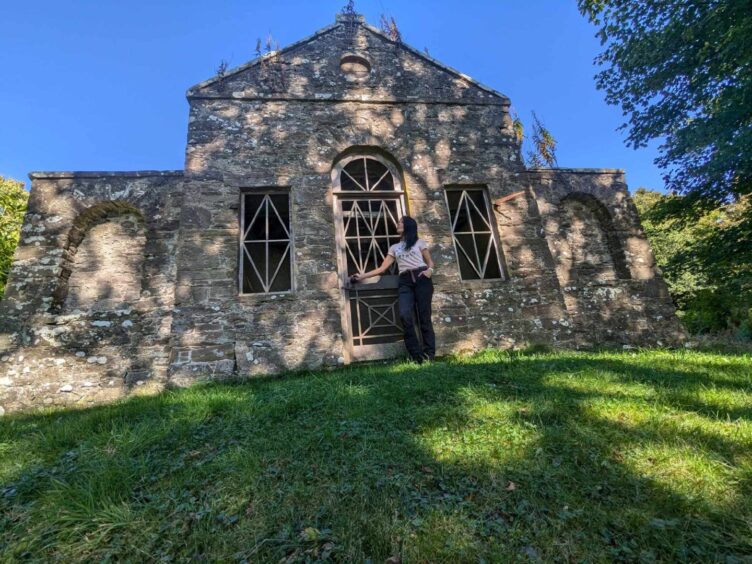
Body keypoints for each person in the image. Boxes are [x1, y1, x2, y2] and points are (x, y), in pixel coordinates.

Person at [351, 216, 436, 363]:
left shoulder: (419, 243)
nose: (398, 224)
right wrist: (361, 276)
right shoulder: (394, 248)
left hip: (422, 278)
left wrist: (430, 271)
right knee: (404, 315)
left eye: (401, 222)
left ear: (408, 226)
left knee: (424, 317)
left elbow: (430, 263)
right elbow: (382, 268)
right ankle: (417, 356)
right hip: (404, 281)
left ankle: (429, 354)